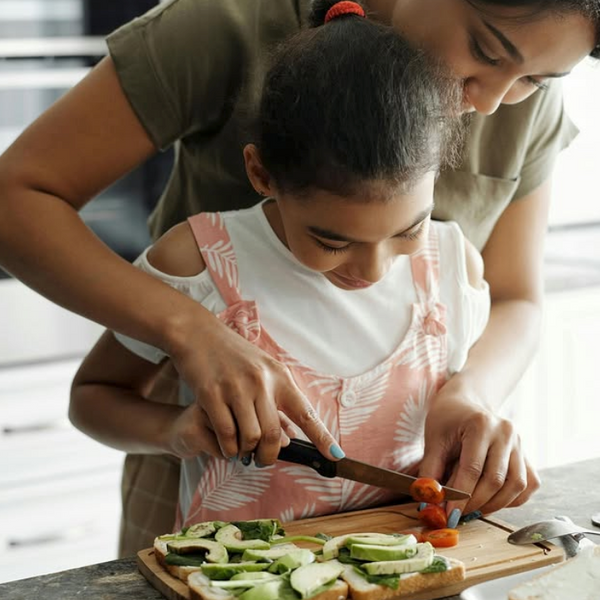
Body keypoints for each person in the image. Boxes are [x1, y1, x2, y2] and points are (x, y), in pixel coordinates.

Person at [0, 0, 597, 554]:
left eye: (536, 80)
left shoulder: (505, 135)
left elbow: (517, 296)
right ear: (260, 174)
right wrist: (190, 331)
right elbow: (14, 200)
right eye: (488, 52)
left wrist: (473, 393)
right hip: (206, 476)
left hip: (398, 526)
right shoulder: (225, 23)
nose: (493, 103)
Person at [70, 0, 493, 531]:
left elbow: (467, 407)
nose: (374, 269)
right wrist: (175, 430)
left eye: (408, 230)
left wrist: (485, 437)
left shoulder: (452, 267)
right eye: (332, 240)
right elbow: (92, 399)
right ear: (262, 174)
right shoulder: (199, 261)